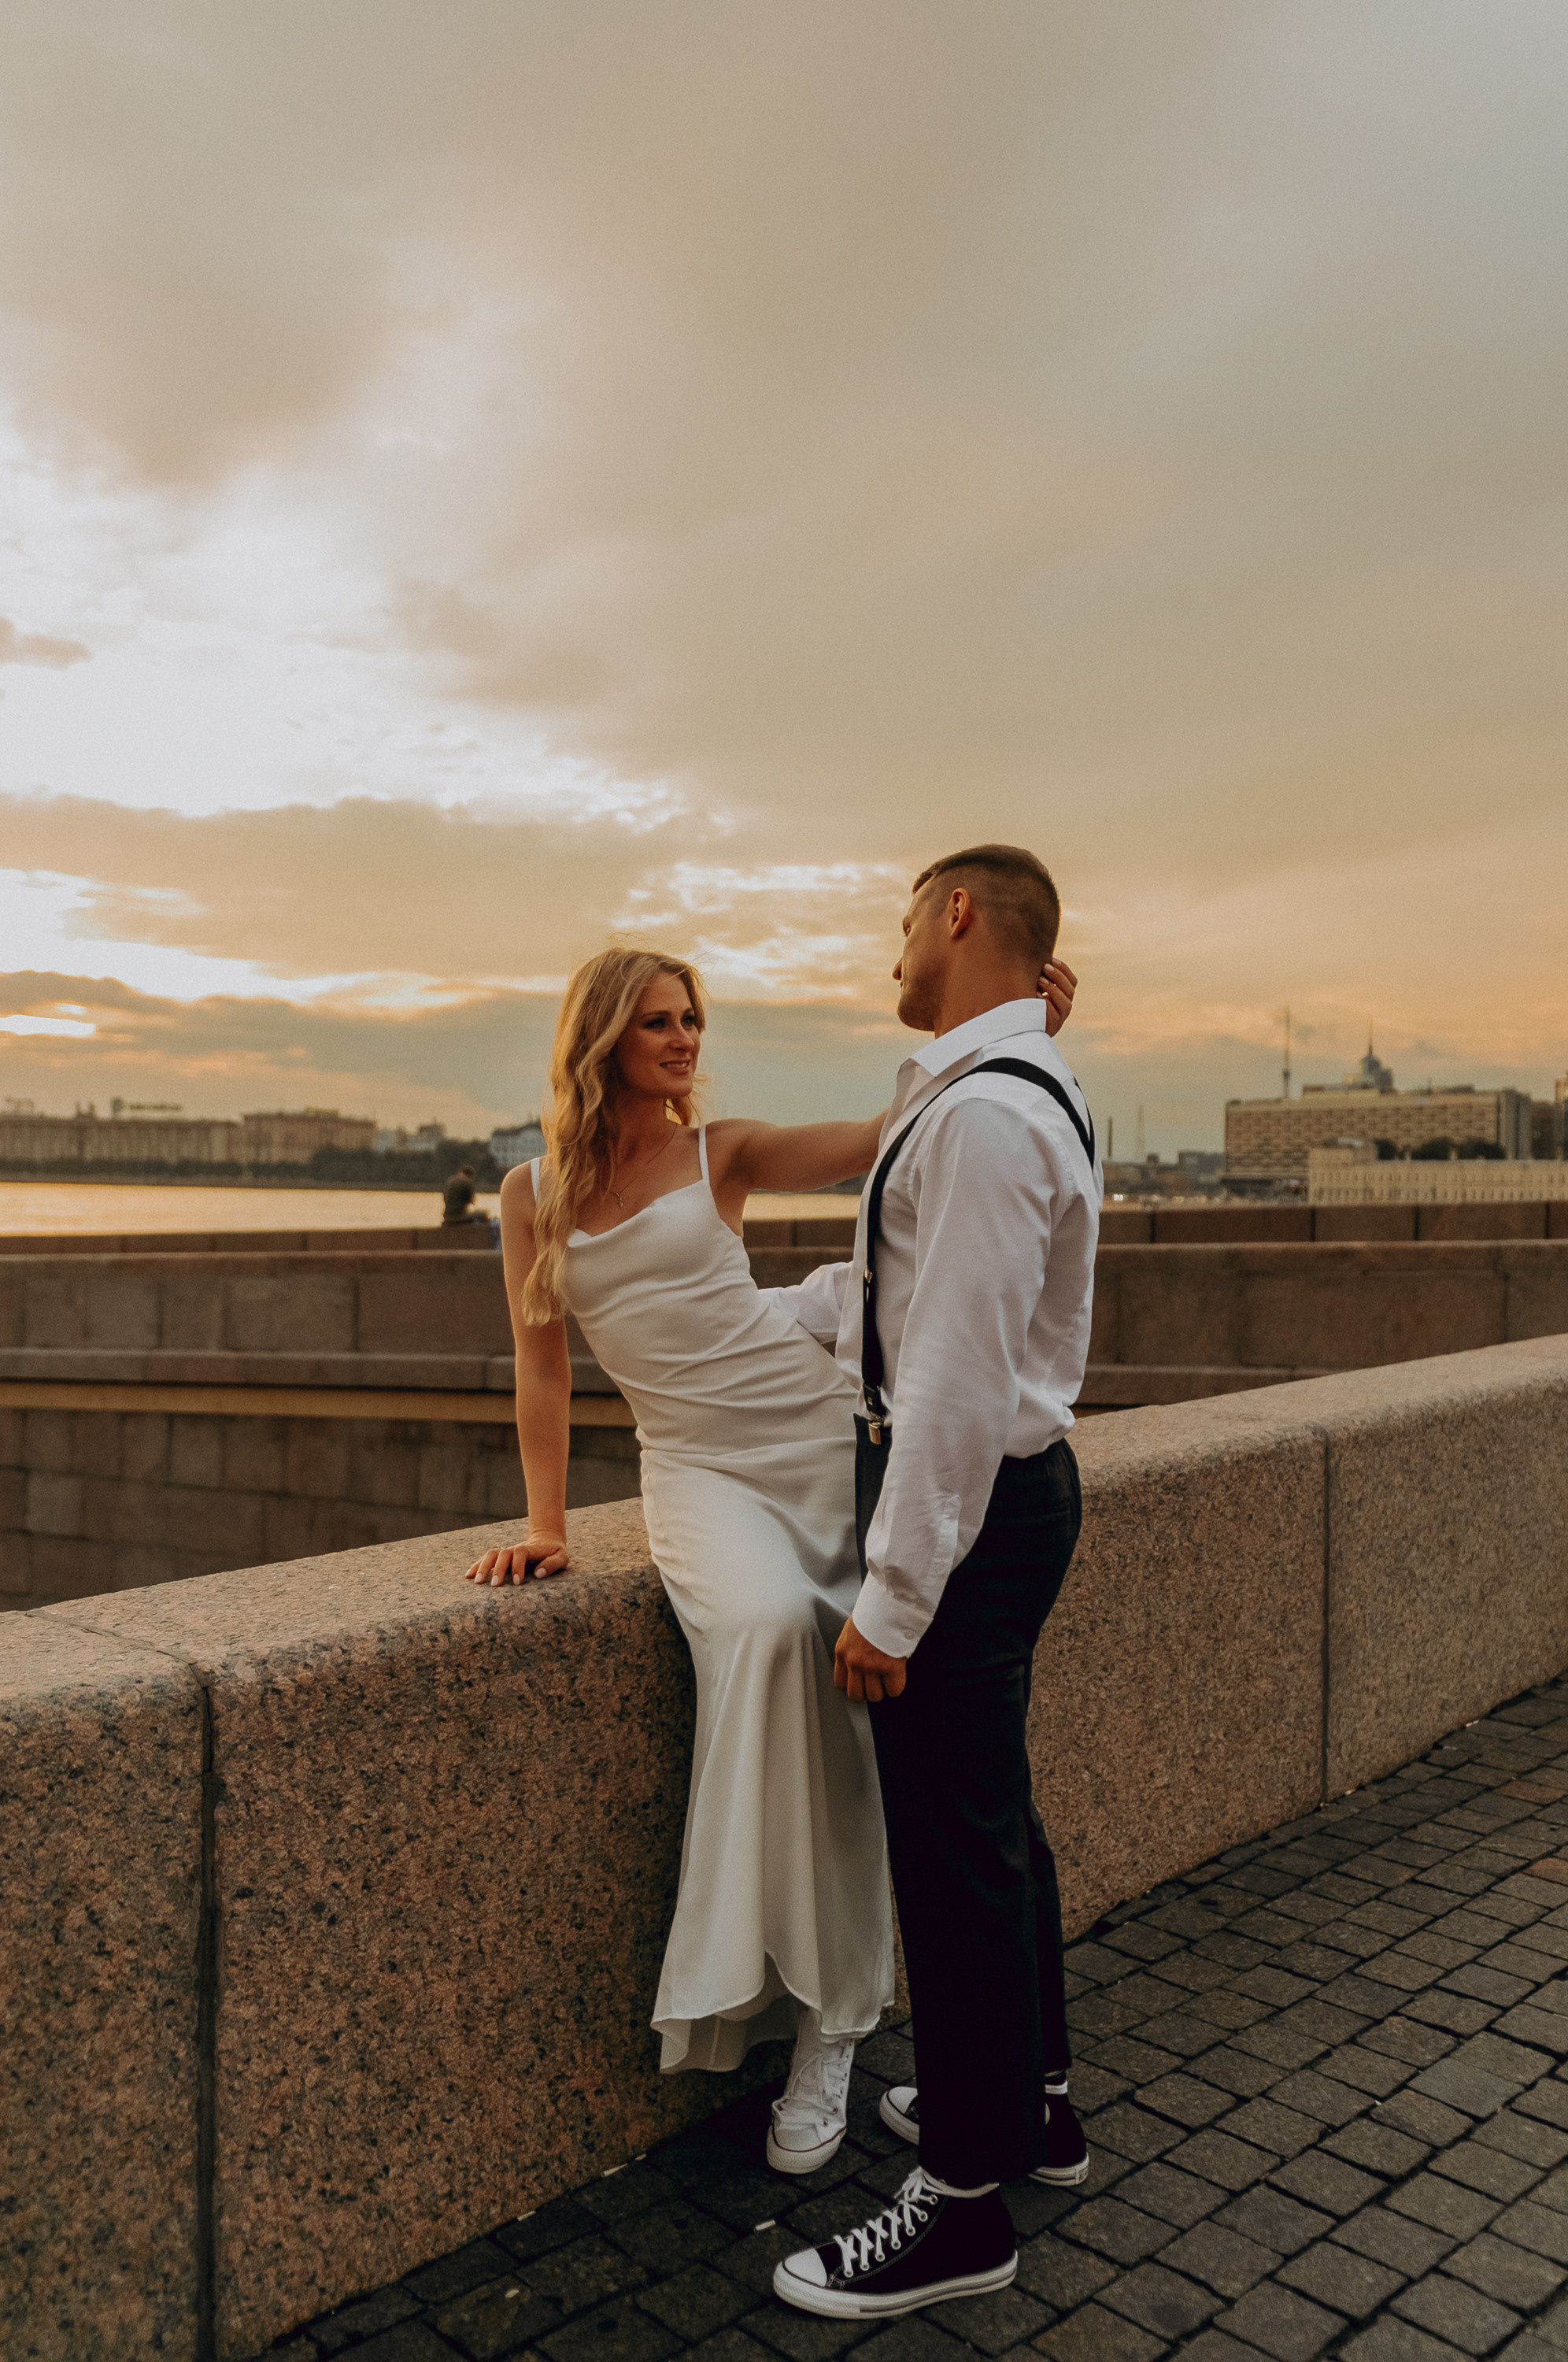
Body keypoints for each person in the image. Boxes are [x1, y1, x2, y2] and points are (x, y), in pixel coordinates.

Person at [466, 931, 1078, 2177]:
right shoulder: (529, 1195)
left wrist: (1023, 1032)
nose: (684, 1039)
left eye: (691, 1018)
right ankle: (795, 1991)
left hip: (807, 1427)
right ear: (601, 1038)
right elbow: (542, 1369)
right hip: (691, 1468)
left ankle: (834, 2025)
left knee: (867, 1692)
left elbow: (886, 1140)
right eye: (656, 1022)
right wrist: (544, 1525)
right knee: (760, 1632)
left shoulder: (722, 1150)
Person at [771, 843, 1100, 2322]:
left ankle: (962, 2207)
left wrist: (891, 1603)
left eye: (902, 916)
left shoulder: (983, 1122)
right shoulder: (1008, 1091)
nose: (889, 947)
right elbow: (905, 1305)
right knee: (995, 1823)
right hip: (1012, 1511)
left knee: (955, 1861)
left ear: (957, 912)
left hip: (965, 1522)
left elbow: (955, 1383)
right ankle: (1031, 2105)